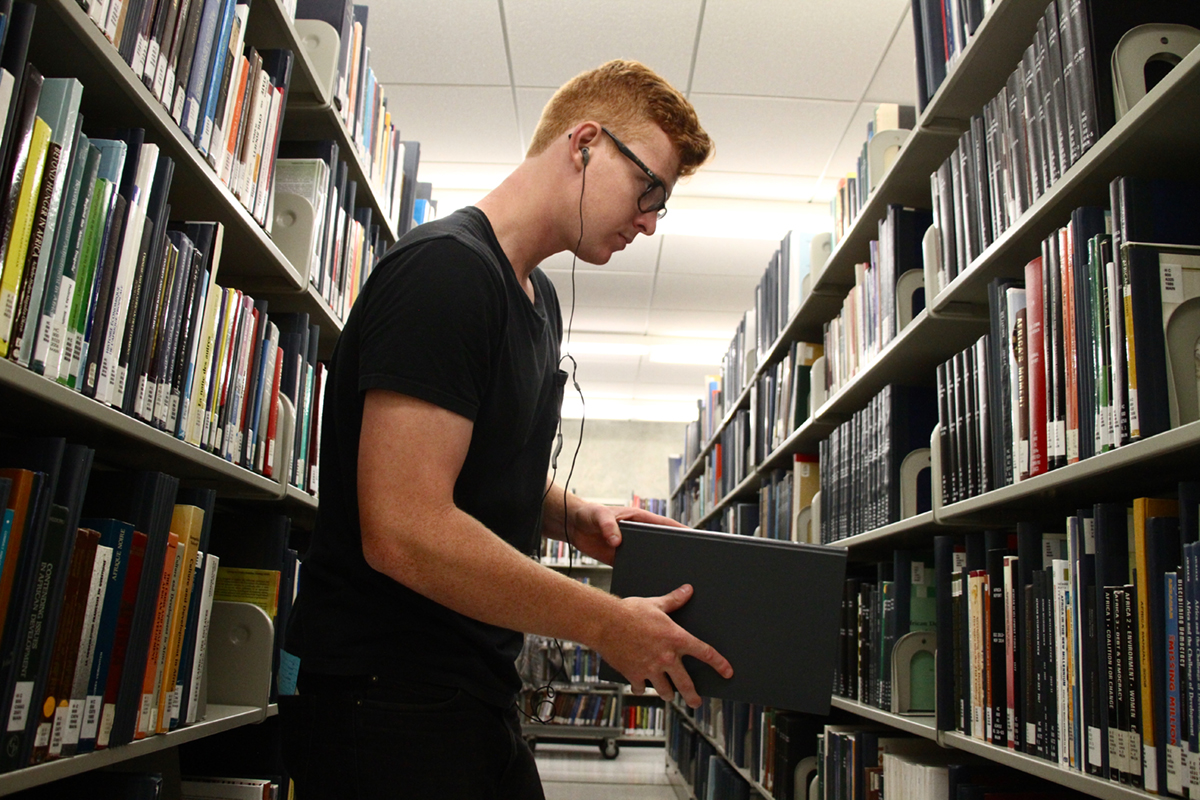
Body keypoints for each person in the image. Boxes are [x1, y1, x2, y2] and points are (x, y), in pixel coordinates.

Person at [279, 59, 733, 799]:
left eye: (663, 204)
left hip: (473, 689)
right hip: (388, 699)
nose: (651, 219)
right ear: (584, 142)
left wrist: (571, 512)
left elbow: (474, 459)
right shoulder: (445, 275)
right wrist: (605, 623)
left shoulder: (537, 301)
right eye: (649, 187)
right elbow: (402, 527)